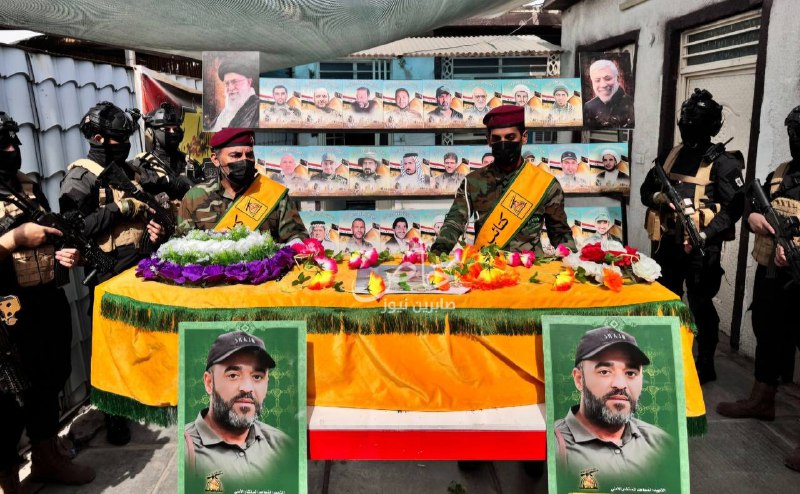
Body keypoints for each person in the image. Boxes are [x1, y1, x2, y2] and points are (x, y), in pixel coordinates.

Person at [60, 101, 167, 446]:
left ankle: (143, 397)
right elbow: (71, 229)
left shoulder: (130, 170)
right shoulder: (81, 176)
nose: (123, 144)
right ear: (97, 138)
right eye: (116, 138)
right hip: (106, 273)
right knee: (110, 348)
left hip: (140, 266)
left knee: (144, 338)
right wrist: (118, 209)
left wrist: (155, 231)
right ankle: (113, 415)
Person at [0, 112, 95, 492]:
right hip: (5, 315)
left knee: (48, 382)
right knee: (7, 402)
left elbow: (53, 240)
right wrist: (12, 240)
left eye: (13, 143)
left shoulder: (27, 188)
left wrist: (68, 255)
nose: (10, 151)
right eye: (1, 145)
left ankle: (46, 458)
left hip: (44, 303)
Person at [640, 88, 745, 384]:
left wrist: (705, 232)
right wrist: (662, 198)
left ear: (710, 125)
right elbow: (646, 192)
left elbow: (735, 207)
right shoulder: (671, 155)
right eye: (685, 118)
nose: (687, 125)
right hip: (668, 243)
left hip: (701, 248)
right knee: (665, 300)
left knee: (700, 304)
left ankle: (705, 362)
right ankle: (665, 354)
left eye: (694, 120)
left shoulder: (724, 163)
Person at [716, 105, 800, 472]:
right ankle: (761, 399)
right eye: (792, 133)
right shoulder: (783, 173)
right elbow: (754, 202)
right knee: (767, 333)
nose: (795, 140)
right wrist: (752, 216)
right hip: (773, 276)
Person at [430, 105, 575, 256]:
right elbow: (454, 223)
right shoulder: (472, 182)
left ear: (524, 137)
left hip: (531, 271)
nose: (503, 143)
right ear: (489, 140)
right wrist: (437, 252)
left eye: (510, 137)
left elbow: (560, 233)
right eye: (496, 139)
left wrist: (574, 263)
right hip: (486, 271)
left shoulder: (545, 183)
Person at [554, 326, 671, 475]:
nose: (620, 384)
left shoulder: (662, 444)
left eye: (630, 373)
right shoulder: (553, 445)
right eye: (605, 372)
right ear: (579, 379)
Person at [184, 331, 291, 481]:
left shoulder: (283, 446)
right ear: (209, 383)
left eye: (257, 377)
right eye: (233, 375)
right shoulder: (183, 450)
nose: (247, 388)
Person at [177, 128, 308, 244]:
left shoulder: (274, 194)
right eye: (236, 155)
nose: (244, 160)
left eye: (249, 155)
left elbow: (297, 238)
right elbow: (179, 244)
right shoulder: (194, 198)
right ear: (215, 160)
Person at [131, 103, 196, 215]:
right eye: (166, 129)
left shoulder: (188, 161)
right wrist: (169, 181)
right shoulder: (143, 163)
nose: (172, 132)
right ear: (151, 133)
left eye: (175, 128)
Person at [584, 59, 634, 129]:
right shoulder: (588, 107)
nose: (603, 85)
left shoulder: (632, 104)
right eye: (597, 80)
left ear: (618, 79)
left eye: (608, 79)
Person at [210, 60, 259, 131]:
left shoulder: (259, 109)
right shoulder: (224, 112)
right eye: (227, 83)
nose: (230, 88)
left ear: (249, 82)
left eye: (235, 82)